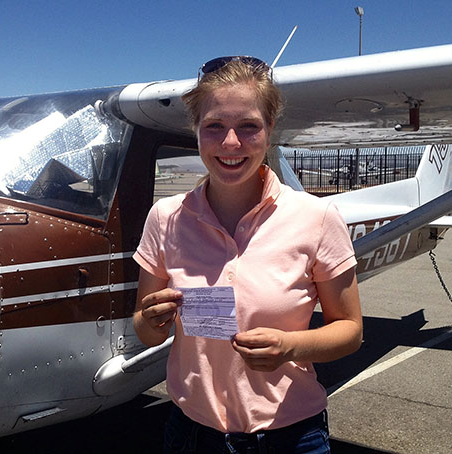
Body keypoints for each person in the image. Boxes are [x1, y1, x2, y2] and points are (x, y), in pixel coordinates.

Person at [133, 56, 362, 453]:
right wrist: (152, 319)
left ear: (270, 129)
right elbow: (144, 328)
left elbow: (350, 331)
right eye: (215, 126)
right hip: (191, 434)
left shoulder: (317, 217)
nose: (231, 143)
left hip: (290, 438)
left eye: (249, 126)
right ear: (196, 130)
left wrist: (291, 347)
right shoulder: (165, 217)